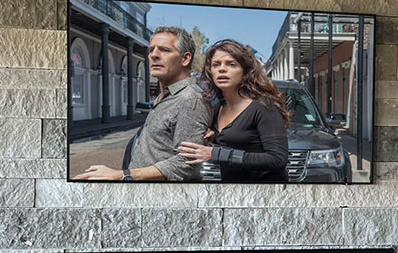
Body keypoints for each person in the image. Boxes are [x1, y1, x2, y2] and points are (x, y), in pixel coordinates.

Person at [74, 26, 212, 182]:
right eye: (151, 50)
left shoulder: (189, 100)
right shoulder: (166, 95)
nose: (154, 55)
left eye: (164, 50)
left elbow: (186, 165)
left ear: (185, 59)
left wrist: (122, 175)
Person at [177, 39, 289, 183]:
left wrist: (215, 153)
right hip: (232, 191)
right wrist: (211, 141)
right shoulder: (217, 109)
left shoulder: (264, 107)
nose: (222, 69)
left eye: (231, 64)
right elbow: (234, 146)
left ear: (245, 71)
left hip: (266, 192)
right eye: (216, 64)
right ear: (210, 72)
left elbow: (278, 159)